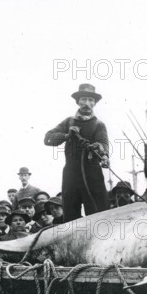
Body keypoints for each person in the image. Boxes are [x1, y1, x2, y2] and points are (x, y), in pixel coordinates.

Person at [44, 83, 110, 222]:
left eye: (91, 100)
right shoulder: (68, 122)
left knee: (99, 215)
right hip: (71, 174)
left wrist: (101, 152)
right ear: (78, 101)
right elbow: (48, 138)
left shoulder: (99, 124)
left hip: (93, 175)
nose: (87, 103)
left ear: (95, 103)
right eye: (84, 99)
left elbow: (104, 144)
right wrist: (66, 135)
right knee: (70, 216)